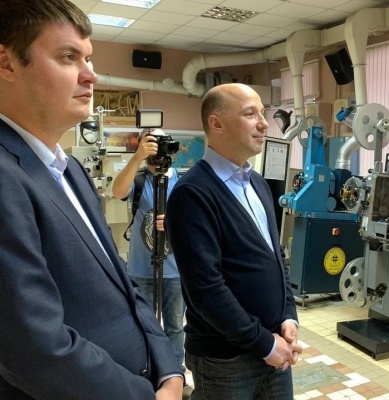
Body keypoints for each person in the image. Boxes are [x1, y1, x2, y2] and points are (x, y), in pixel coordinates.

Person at [0, 1, 184, 399]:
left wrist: (169, 367)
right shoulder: (6, 177)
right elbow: (34, 347)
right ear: (7, 63)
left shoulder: (70, 171)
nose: (91, 74)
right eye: (68, 57)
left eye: (89, 58)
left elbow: (123, 283)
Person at [165, 83, 302, 400]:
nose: (264, 123)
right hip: (226, 360)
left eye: (262, 113)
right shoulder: (192, 193)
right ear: (216, 123)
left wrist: (288, 315)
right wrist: (264, 343)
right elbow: (206, 288)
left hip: (274, 346)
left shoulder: (258, 184)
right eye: (250, 114)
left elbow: (276, 257)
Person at [111, 129, 186, 373]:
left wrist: (176, 223)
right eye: (152, 142)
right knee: (144, 324)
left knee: (175, 326)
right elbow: (117, 192)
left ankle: (174, 371)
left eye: (161, 142)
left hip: (175, 271)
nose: (157, 148)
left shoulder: (183, 182)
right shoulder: (139, 179)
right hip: (141, 268)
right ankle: (148, 369)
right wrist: (137, 157)